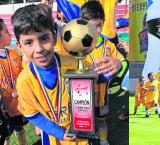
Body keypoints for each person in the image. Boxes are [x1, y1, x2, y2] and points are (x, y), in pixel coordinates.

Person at [13, 4, 122, 145]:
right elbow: (33, 115)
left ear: (53, 36)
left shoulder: (73, 63)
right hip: (53, 137)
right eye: (29, 42)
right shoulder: (23, 82)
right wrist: (60, 133)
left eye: (44, 38)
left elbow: (100, 76)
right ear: (19, 47)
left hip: (81, 134)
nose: (39, 49)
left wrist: (117, 65)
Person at [80, 1, 127, 145]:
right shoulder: (76, 44)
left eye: (99, 25)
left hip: (102, 94)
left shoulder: (108, 45)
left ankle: (103, 140)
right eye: (91, 26)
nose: (96, 30)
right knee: (84, 124)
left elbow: (123, 63)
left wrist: (119, 64)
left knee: (101, 120)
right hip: (82, 97)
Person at [0, 18, 27, 145]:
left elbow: (22, 75)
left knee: (20, 129)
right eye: (6, 31)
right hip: (3, 108)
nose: (10, 34)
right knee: (5, 134)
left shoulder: (15, 54)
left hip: (17, 105)